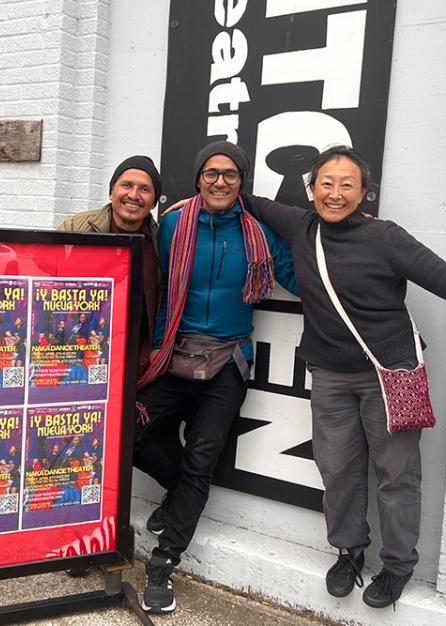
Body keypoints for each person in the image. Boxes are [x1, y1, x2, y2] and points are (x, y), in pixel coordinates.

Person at [238, 145, 446, 609]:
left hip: (390, 373)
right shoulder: (302, 227)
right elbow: (247, 200)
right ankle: (349, 550)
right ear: (311, 188)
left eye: (347, 185)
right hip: (331, 376)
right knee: (337, 470)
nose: (335, 194)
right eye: (326, 183)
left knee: (397, 475)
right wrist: (193, 199)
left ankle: (398, 565)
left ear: (364, 192)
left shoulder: (386, 238)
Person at [133, 140, 298, 614]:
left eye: (229, 174)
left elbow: (302, 274)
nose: (220, 181)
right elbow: (132, 258)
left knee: (202, 459)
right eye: (211, 173)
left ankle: (164, 562)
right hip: (170, 353)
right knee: (130, 432)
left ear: (242, 181)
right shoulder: (170, 224)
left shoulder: (260, 234)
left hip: (228, 361)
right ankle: (179, 493)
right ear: (198, 178)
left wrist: (353, 245)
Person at [58, 155, 162, 376]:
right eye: (126, 185)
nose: (134, 195)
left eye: (145, 189)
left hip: (138, 361)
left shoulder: (160, 240)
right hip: (81, 352)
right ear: (111, 191)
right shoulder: (76, 227)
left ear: (154, 202)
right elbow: (48, 278)